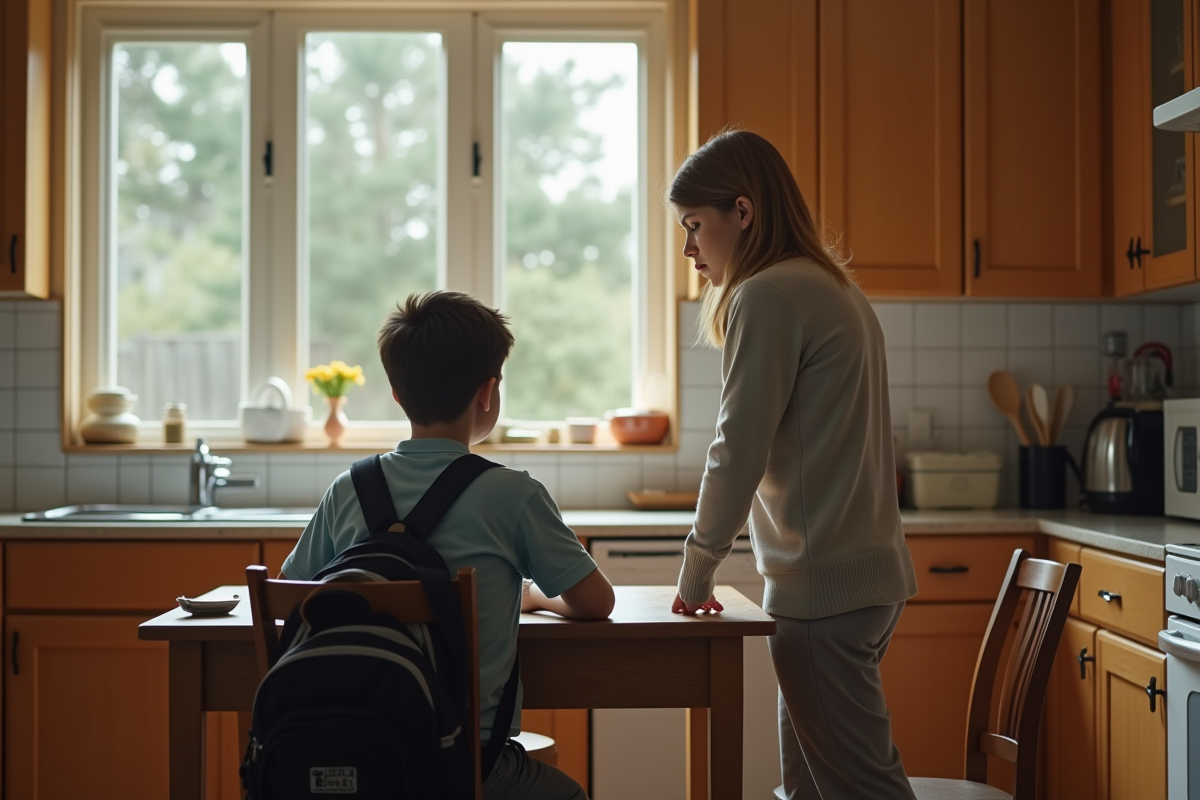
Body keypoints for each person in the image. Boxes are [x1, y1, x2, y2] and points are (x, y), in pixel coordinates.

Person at [281, 290, 615, 800]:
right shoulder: (513, 494)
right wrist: (537, 597)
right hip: (464, 767)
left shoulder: (348, 488)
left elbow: (291, 593)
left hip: (349, 761)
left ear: (396, 393)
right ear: (488, 392)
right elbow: (597, 603)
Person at [668, 129, 919, 800]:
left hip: (824, 591)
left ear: (742, 213)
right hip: (858, 580)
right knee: (807, 790)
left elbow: (736, 449)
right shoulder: (830, 287)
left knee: (860, 790)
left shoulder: (769, 295)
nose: (689, 247)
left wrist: (696, 572)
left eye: (695, 226)